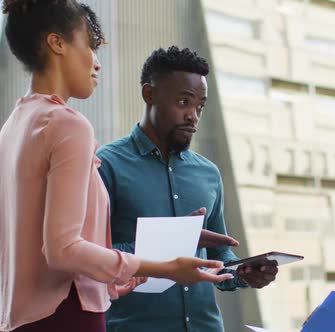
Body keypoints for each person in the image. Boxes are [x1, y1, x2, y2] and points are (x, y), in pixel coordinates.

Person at [0, 2, 232, 331]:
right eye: (91, 46)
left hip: (21, 319)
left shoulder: (12, 127)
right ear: (58, 44)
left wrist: (146, 262)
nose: (97, 64)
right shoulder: (69, 125)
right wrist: (166, 266)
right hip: (68, 316)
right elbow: (63, 250)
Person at [97, 46, 279, 332]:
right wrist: (173, 239)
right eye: (184, 102)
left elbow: (219, 258)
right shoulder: (106, 165)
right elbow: (91, 257)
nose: (193, 116)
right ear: (149, 94)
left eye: (200, 106)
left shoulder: (208, 173)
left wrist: (243, 274)